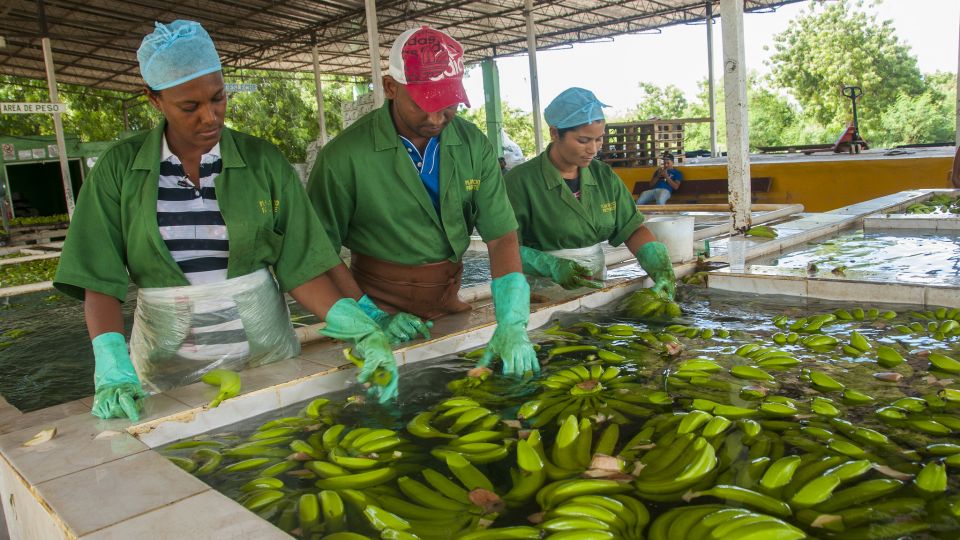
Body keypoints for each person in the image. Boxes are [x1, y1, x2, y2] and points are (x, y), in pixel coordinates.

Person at [53, 20, 399, 422]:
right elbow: (99, 279)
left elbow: (301, 265)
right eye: (190, 107)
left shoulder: (264, 163)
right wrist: (111, 365)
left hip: (264, 351)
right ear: (154, 100)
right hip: (168, 363)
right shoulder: (119, 170)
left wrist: (358, 327)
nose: (210, 117)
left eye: (218, 98)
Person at [308, 25, 538, 377]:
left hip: (447, 300)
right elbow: (319, 254)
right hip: (374, 302)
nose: (435, 119)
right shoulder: (344, 157)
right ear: (390, 88)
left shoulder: (473, 145)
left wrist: (512, 320)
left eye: (447, 105)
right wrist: (370, 318)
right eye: (422, 104)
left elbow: (501, 236)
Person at [504, 87, 677, 300]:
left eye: (599, 139)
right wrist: (550, 265)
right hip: (540, 292)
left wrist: (658, 264)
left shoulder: (603, 175)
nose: (593, 150)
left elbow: (632, 229)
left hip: (595, 286)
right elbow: (504, 247)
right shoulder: (521, 181)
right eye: (583, 141)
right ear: (555, 133)